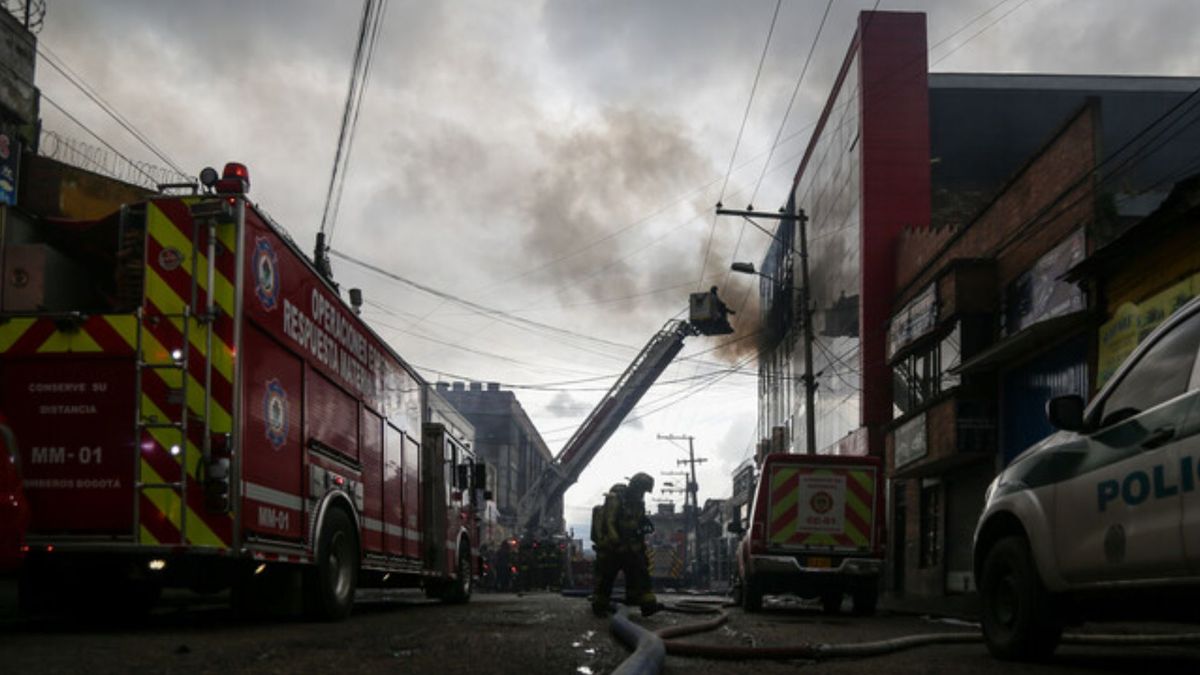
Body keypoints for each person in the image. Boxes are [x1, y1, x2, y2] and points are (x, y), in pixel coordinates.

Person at [591, 472, 665, 617]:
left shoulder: (638, 503)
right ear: (635, 487)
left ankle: (647, 604)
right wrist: (615, 541)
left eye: (645, 491)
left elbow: (638, 523)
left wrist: (642, 534)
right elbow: (609, 521)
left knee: (640, 572)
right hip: (613, 547)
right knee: (607, 577)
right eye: (642, 490)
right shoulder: (616, 498)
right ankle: (599, 606)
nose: (642, 494)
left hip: (630, 545)